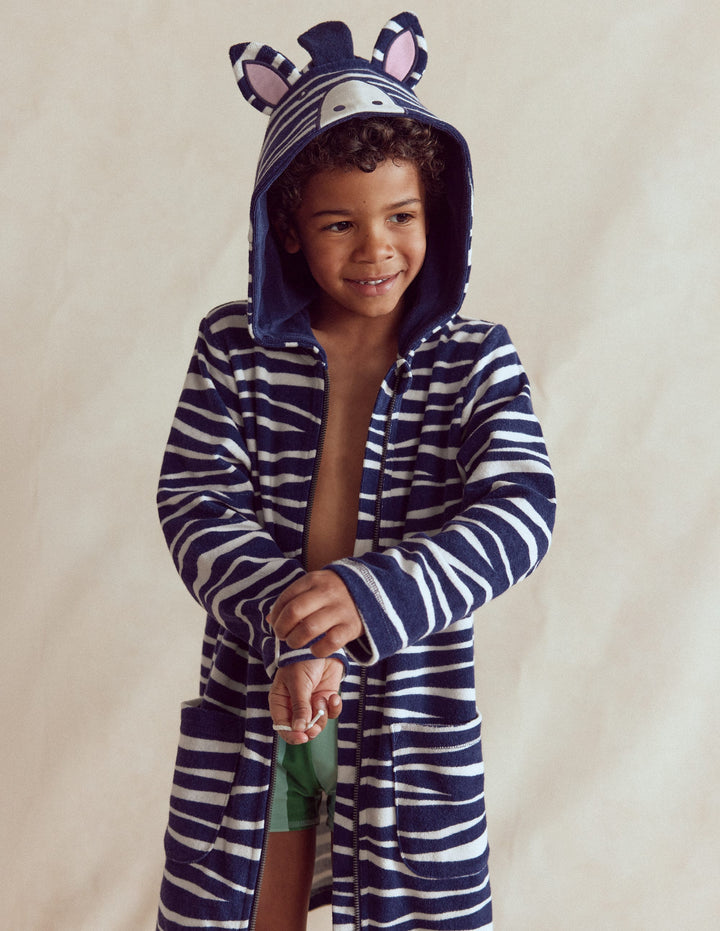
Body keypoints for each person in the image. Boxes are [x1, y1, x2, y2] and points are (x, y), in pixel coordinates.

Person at [155, 12, 555, 931]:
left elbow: (521, 508)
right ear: (289, 229)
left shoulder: (474, 359)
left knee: (409, 909)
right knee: (253, 902)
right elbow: (195, 500)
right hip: (272, 696)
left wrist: (371, 596)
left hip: (405, 711)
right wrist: (291, 629)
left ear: (436, 214)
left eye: (401, 216)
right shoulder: (234, 348)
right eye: (340, 223)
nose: (376, 248)